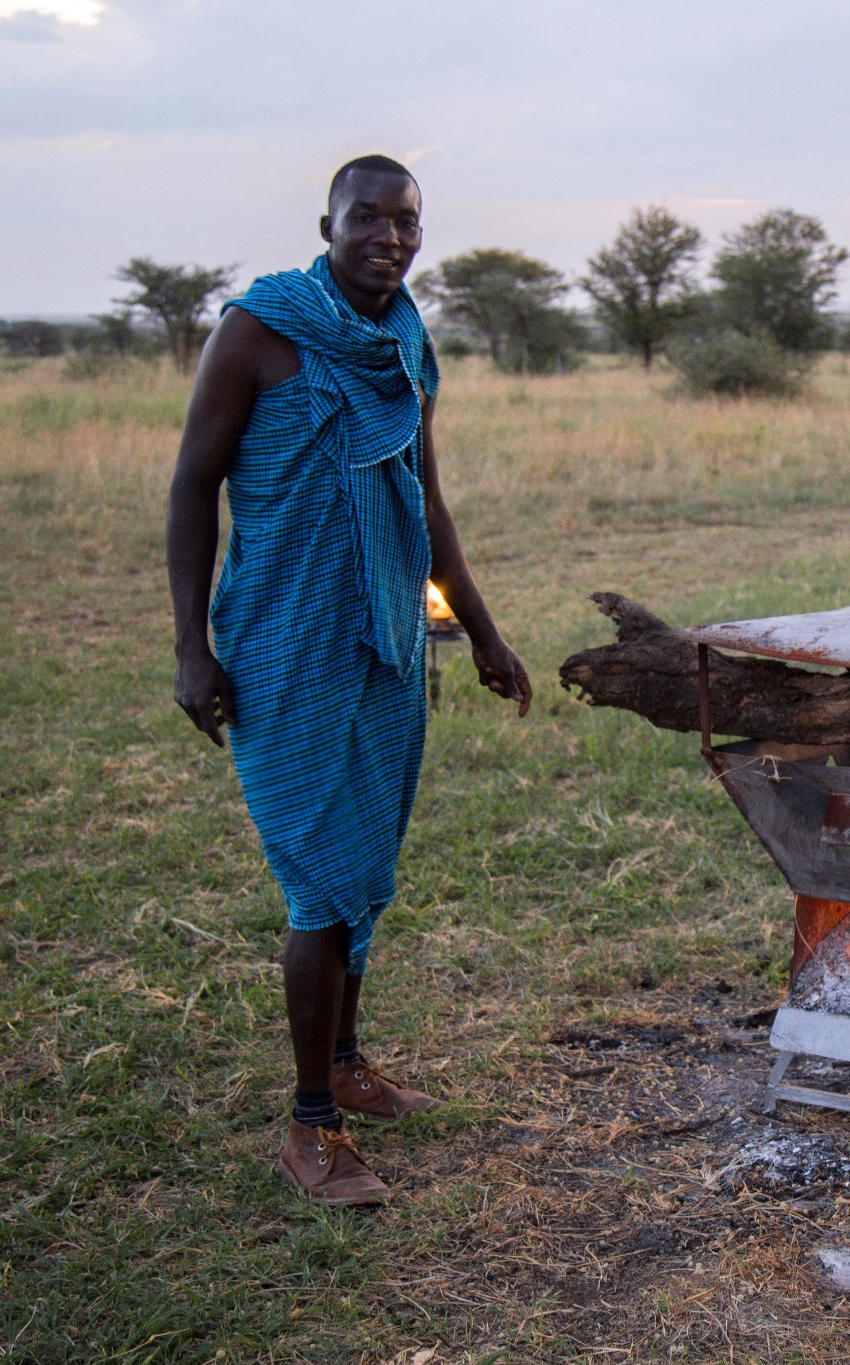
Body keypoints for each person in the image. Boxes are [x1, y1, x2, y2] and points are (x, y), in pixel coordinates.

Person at [166, 154, 530, 1205]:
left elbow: (426, 500)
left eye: (405, 219)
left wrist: (482, 630)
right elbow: (193, 487)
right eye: (365, 215)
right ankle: (309, 1128)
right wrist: (191, 647)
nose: (388, 234)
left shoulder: (404, 340)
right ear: (324, 220)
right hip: (282, 643)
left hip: (384, 645)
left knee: (363, 867)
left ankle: (344, 1064)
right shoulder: (258, 330)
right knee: (320, 882)